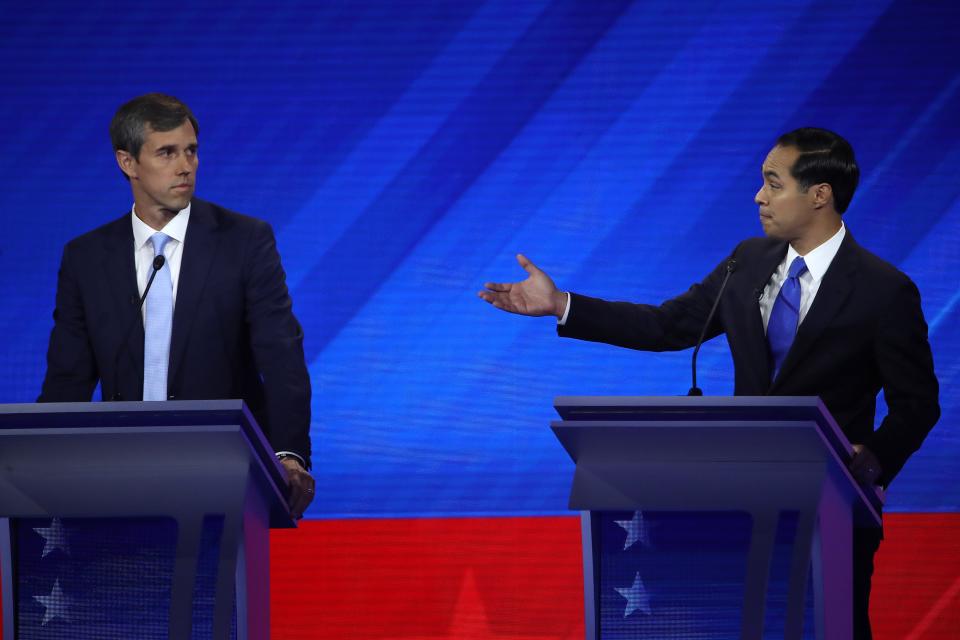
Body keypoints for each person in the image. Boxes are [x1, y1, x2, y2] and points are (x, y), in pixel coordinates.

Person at [478, 127, 939, 639]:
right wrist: (563, 305)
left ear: (819, 194)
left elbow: (917, 404)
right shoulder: (747, 263)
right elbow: (667, 325)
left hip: (830, 511)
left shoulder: (885, 290)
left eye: (772, 183)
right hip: (742, 503)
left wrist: (869, 462)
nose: (758, 196)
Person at [38, 93, 315, 519]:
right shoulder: (87, 257)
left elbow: (281, 356)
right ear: (127, 163)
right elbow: (67, 380)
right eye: (166, 153)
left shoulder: (244, 242)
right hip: (119, 479)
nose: (186, 166)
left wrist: (289, 452)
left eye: (191, 151)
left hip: (221, 474)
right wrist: (40, 461)